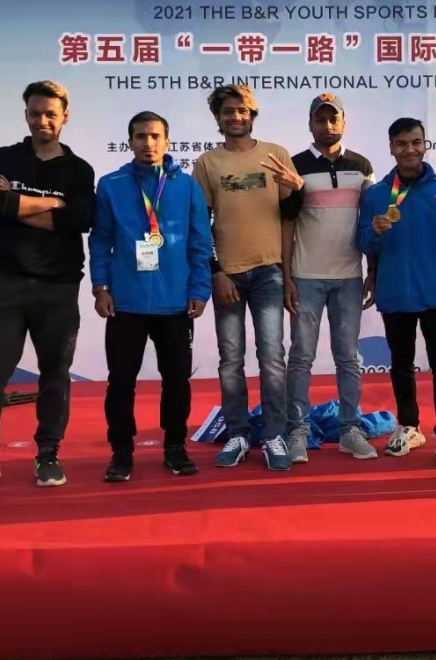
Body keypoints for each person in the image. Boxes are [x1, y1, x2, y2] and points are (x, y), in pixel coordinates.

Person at [0, 81, 95, 492]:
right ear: (26, 115)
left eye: (51, 114)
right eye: (35, 113)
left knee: (55, 373)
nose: (42, 121)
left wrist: (16, 203)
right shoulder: (5, 158)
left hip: (59, 285)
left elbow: (79, 220)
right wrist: (53, 204)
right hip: (6, 281)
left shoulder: (79, 169)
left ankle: (48, 455)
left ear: (64, 116)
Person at [88, 111, 211, 482]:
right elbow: (101, 240)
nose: (148, 143)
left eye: (156, 136)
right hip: (126, 302)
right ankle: (121, 451)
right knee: (121, 380)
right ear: (130, 142)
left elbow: (200, 243)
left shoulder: (187, 186)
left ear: (167, 142)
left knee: (177, 380)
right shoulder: (111, 185)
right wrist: (100, 287)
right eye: (141, 136)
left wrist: (199, 289)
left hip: (175, 302)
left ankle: (175, 446)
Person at [192, 84, 303, 471]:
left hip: (269, 272)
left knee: (272, 358)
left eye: (242, 111)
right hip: (229, 277)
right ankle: (238, 434)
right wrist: (216, 272)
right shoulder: (207, 163)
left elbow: (291, 214)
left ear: (252, 115)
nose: (236, 117)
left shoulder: (276, 155)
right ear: (218, 118)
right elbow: (199, 224)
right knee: (230, 361)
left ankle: (274, 434)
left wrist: (297, 189)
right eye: (228, 111)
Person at [357, 118, 436, 467]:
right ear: (391, 147)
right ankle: (408, 425)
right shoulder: (376, 194)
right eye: (402, 143)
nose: (409, 149)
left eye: (416, 142)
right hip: (395, 293)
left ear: (425, 145)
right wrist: (374, 231)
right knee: (401, 365)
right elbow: (363, 242)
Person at [281, 94, 379, 462]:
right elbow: (286, 224)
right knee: (301, 357)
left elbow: (370, 222)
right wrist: (286, 276)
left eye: (333, 119)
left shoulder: (362, 166)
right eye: (320, 120)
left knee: (348, 358)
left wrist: (373, 270)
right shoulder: (296, 166)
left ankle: (350, 429)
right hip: (306, 276)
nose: (327, 126)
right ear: (310, 124)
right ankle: (297, 430)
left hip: (350, 276)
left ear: (343, 122)